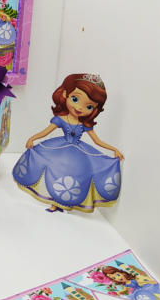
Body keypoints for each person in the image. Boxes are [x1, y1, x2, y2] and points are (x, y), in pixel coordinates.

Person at [13, 74, 124, 213]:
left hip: (78, 153)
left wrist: (113, 149)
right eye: (75, 99)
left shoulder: (84, 124)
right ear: (65, 94)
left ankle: (64, 203)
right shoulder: (60, 119)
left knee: (74, 177)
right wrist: (32, 138)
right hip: (59, 148)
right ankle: (55, 203)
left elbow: (97, 141)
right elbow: (46, 132)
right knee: (55, 171)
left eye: (89, 106)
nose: (80, 108)